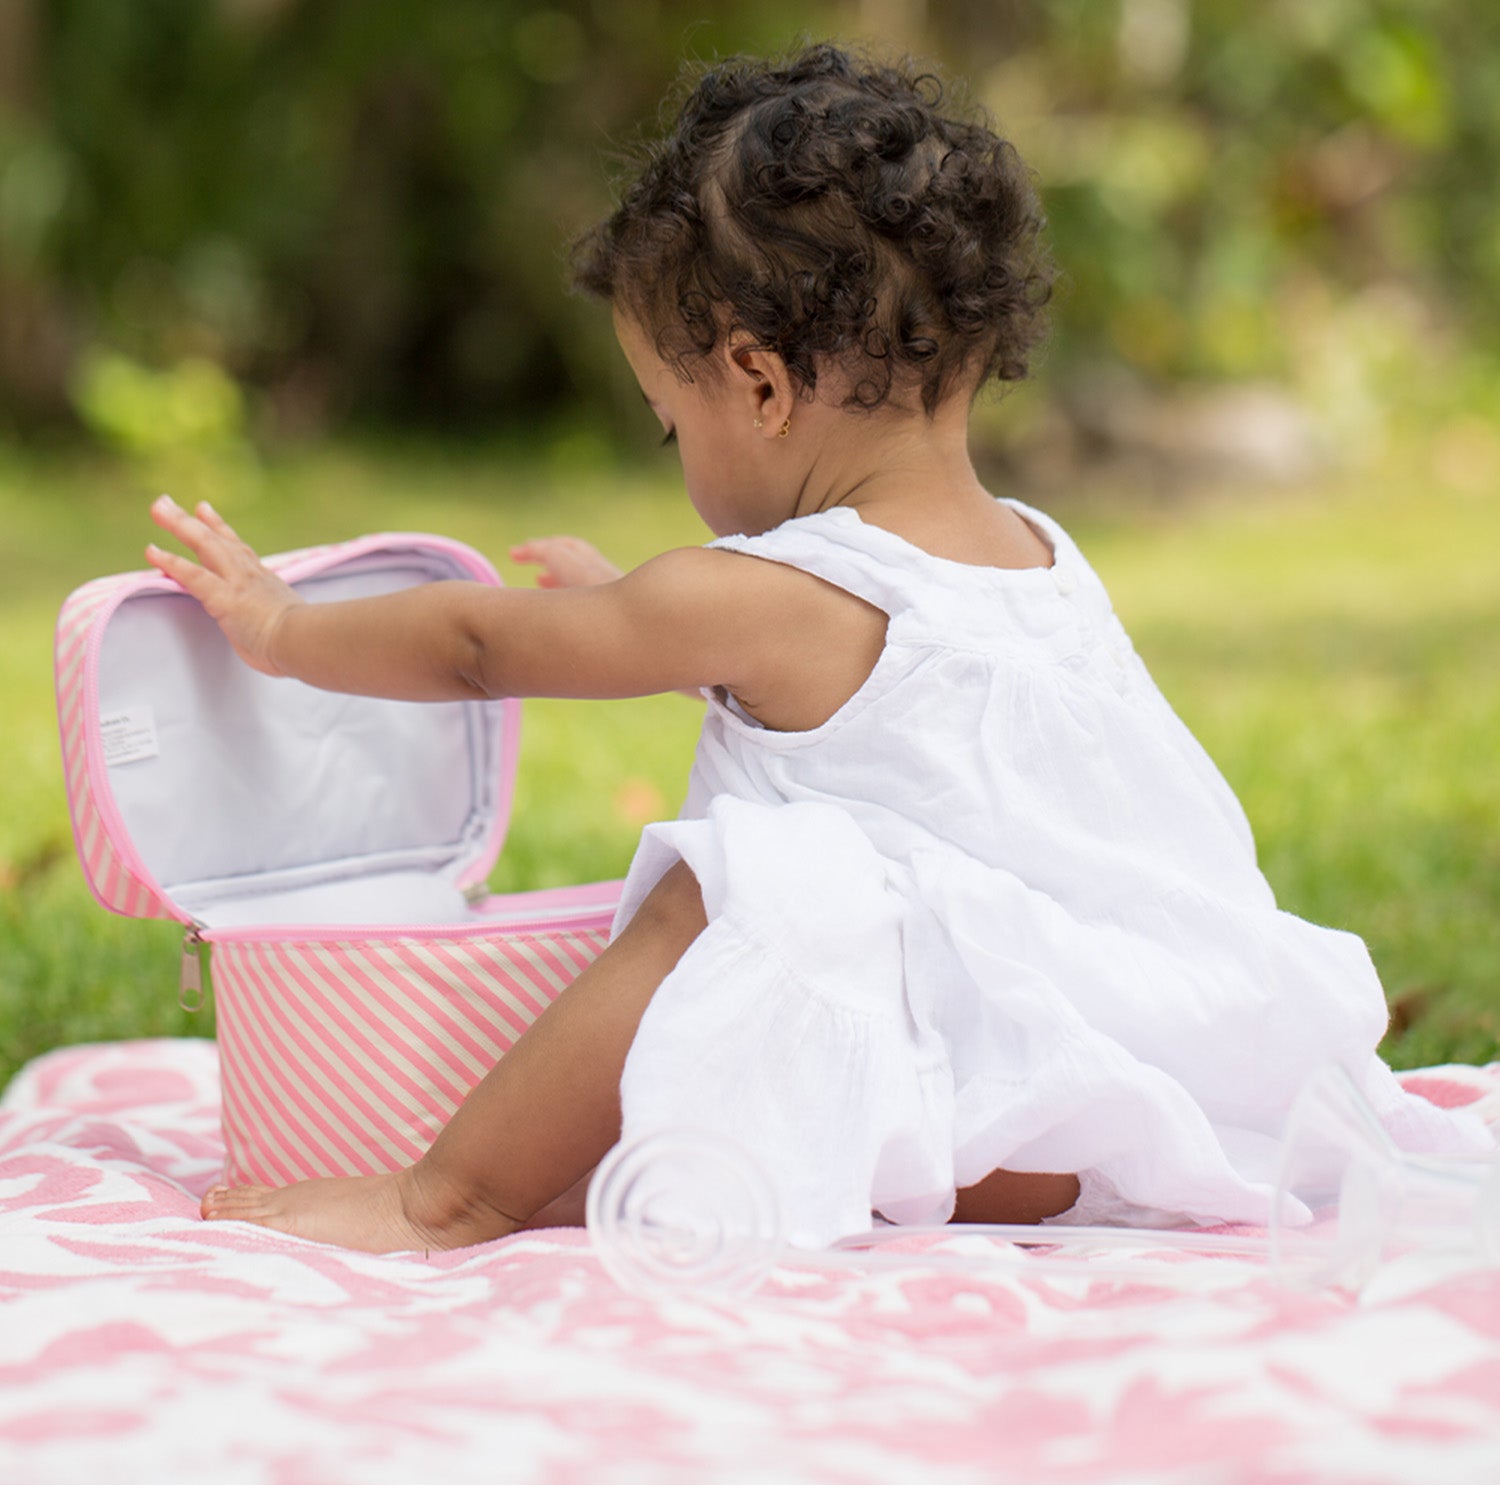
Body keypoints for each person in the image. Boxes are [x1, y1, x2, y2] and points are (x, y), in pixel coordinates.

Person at [146, 44, 1487, 1254]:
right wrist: (673, 624)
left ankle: (443, 1200)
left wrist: (283, 627)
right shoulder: (1030, 553)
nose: (678, 456)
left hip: (988, 1102)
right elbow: (897, 724)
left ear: (760, 384)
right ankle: (664, 1165)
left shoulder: (769, 600)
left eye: (671, 423)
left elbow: (482, 640)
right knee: (821, 923)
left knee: (734, 893)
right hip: (1149, 1082)